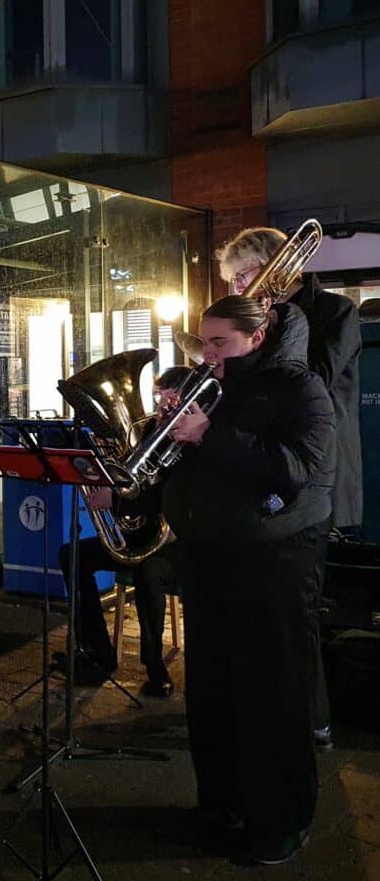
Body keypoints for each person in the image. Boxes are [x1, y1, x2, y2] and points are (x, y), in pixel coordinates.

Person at [162, 294, 335, 865]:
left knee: (271, 693)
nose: (206, 354)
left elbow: (293, 469)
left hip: (275, 557)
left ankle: (282, 821)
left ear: (256, 338)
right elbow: (184, 468)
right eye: (203, 341)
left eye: (220, 344)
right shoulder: (204, 386)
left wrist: (208, 435)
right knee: (211, 691)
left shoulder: (299, 388)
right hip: (209, 554)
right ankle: (221, 805)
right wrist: (162, 436)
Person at [217, 226, 362, 749]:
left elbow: (312, 380)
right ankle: (274, 712)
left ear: (276, 266)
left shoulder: (335, 313)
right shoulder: (258, 317)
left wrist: (270, 328)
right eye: (234, 279)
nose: (240, 287)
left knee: (303, 607)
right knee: (274, 606)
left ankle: (314, 721)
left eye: (244, 275)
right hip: (270, 471)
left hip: (316, 473)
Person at [57, 367, 186, 694]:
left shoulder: (191, 442)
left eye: (170, 399)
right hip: (139, 537)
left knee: (148, 573)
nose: (161, 408)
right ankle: (97, 652)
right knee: (71, 554)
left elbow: (168, 500)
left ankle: (155, 668)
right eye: (159, 399)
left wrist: (116, 499)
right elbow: (130, 483)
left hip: (175, 545)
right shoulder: (146, 434)